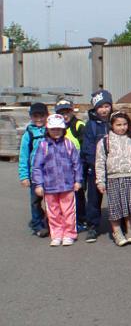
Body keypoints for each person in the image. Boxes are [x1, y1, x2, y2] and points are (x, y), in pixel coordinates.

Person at [31, 114, 83, 247]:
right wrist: (38, 184)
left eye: (58, 129)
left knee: (68, 211)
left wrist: (78, 180)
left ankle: (69, 234)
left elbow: (77, 164)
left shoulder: (68, 144)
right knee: (53, 212)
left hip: (67, 186)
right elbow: (37, 167)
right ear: (48, 129)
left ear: (63, 129)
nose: (56, 131)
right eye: (53, 129)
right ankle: (57, 235)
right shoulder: (43, 145)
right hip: (49, 187)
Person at [95, 111, 131, 246]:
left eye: (125, 124)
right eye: (118, 125)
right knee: (115, 208)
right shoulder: (104, 141)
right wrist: (100, 181)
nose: (122, 127)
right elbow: (100, 162)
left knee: (130, 207)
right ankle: (117, 232)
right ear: (111, 125)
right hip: (114, 178)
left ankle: (130, 230)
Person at [81, 90, 112, 243]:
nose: (104, 110)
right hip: (95, 168)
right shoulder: (90, 126)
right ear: (95, 108)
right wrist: (96, 165)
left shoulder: (116, 121)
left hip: (114, 168)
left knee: (117, 198)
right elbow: (87, 148)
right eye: (100, 107)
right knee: (94, 199)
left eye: (107, 106)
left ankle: (120, 224)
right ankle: (92, 226)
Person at [55, 98, 87, 233]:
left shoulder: (79, 125)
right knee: (63, 196)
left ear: (72, 111)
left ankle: (81, 219)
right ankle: (64, 220)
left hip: (77, 167)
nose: (65, 115)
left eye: (67, 112)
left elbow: (85, 146)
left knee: (78, 194)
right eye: (61, 113)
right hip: (61, 169)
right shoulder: (55, 128)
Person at [18, 102, 49, 237]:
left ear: (47, 116)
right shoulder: (29, 134)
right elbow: (23, 156)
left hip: (50, 174)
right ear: (31, 117)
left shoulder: (51, 130)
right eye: (35, 116)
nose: (39, 119)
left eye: (42, 116)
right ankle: (37, 225)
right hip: (35, 175)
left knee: (51, 201)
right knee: (35, 201)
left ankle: (51, 223)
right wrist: (24, 176)